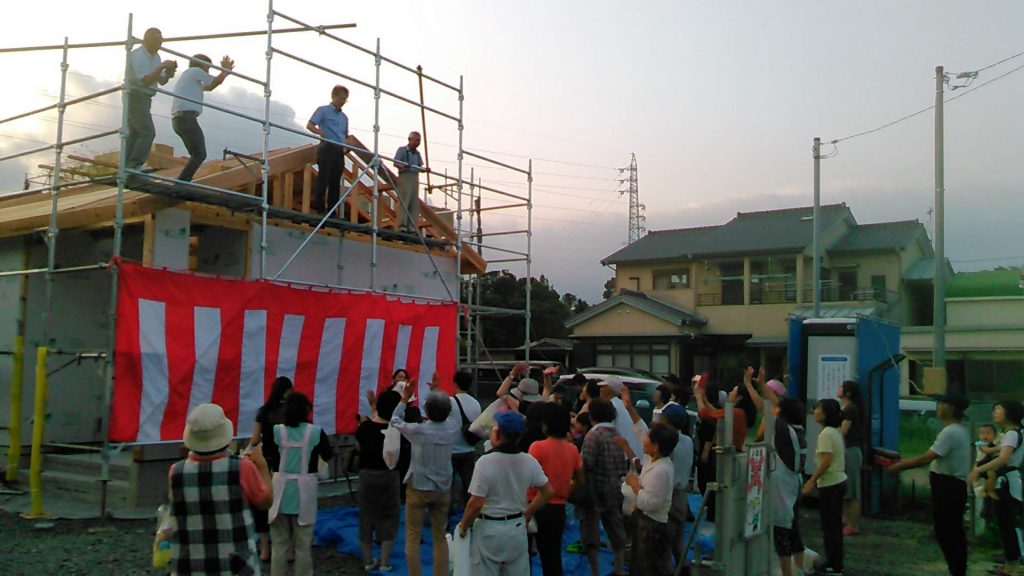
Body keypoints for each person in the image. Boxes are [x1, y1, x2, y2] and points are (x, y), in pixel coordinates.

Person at [168, 403, 272, 575]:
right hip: (236, 565)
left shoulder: (176, 472)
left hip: (191, 564)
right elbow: (265, 502)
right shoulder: (243, 468)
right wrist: (262, 467)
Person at [457, 411, 553, 575]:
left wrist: (463, 525)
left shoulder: (485, 462)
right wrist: (527, 513)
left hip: (489, 529)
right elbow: (547, 491)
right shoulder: (528, 461)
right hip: (516, 528)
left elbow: (476, 503)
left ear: (498, 433)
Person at [890, 392, 971, 576]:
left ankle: (957, 569)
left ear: (951, 408)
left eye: (942, 403)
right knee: (951, 530)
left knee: (947, 531)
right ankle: (957, 568)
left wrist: (900, 466)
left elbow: (927, 457)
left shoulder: (950, 432)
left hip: (948, 485)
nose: (938, 407)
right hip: (950, 484)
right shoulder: (958, 430)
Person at [618, 388, 693, 567]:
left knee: (659, 550)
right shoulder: (687, 441)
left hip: (665, 498)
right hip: (679, 497)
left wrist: (635, 483)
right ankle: (684, 569)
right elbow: (643, 430)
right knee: (677, 543)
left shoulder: (666, 452)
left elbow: (642, 431)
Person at [389, 382, 459, 576]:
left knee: (412, 536)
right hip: (443, 488)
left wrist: (404, 398)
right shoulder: (452, 429)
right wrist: (437, 388)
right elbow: (453, 414)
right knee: (440, 536)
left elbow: (394, 420)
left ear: (426, 409)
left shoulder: (418, 431)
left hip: (418, 486)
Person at [268, 393, 332, 576]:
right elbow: (327, 455)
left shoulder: (276, 431)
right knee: (303, 545)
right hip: (305, 491)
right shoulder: (316, 432)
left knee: (279, 545)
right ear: (307, 410)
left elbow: (267, 453)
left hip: (279, 490)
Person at [968, 400, 1024, 576]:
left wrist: (978, 469)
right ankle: (1010, 564)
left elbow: (1003, 458)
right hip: (1005, 481)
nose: (995, 413)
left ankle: (1013, 566)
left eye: (999, 410)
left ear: (1010, 413)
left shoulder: (1012, 434)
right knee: (1005, 523)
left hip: (1007, 481)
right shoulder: (1010, 433)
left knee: (1007, 523)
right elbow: (1000, 451)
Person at [528, 403, 583, 576]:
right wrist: (566, 487)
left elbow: (527, 478)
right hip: (559, 509)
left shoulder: (537, 447)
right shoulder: (572, 450)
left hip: (535, 506)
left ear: (546, 425)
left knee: (524, 555)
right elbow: (581, 479)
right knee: (552, 558)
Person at [579, 398, 628, 576]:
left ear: (592, 415)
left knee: (591, 534)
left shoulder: (593, 436)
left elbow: (586, 466)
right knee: (616, 527)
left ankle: (595, 571)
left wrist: (586, 493)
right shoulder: (617, 434)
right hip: (615, 487)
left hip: (596, 490)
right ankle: (619, 567)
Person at [247, 376, 294, 562]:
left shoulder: (263, 411)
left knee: (262, 504)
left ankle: (264, 549)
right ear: (287, 391)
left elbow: (254, 439)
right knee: (285, 504)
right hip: (287, 462)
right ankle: (287, 549)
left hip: (265, 462)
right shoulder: (291, 411)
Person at [356, 389, 403, 573]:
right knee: (389, 517)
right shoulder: (398, 429)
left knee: (366, 516)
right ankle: (384, 562)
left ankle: (368, 561)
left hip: (367, 476)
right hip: (389, 476)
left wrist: (373, 408)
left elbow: (360, 448)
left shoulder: (364, 428)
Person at [624, 423, 678, 576]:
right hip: (643, 520)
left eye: (647, 438)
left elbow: (651, 503)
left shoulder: (661, 470)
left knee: (649, 567)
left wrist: (635, 486)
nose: (643, 440)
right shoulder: (652, 460)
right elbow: (639, 428)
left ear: (655, 447)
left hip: (653, 526)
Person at [171, 53, 234, 182]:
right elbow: (214, 81)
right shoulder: (195, 71)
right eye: (208, 67)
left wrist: (224, 74)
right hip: (187, 118)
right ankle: (182, 182)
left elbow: (210, 87)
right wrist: (225, 71)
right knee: (200, 153)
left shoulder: (190, 79)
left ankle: (183, 181)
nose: (208, 71)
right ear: (202, 65)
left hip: (179, 120)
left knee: (196, 153)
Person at [802, 399, 847, 576]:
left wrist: (811, 480)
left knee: (830, 527)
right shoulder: (833, 432)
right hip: (836, 481)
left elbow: (826, 461)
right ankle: (835, 563)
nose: (814, 411)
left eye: (818, 409)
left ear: (826, 413)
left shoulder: (826, 434)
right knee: (832, 525)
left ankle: (834, 566)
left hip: (831, 483)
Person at [127, 28, 177, 172]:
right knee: (147, 132)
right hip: (135, 95)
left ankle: (128, 165)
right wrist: (161, 67)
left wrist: (168, 73)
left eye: (161, 41)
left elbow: (160, 80)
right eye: (157, 41)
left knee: (135, 133)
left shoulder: (156, 56)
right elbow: (145, 80)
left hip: (145, 97)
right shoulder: (138, 55)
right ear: (147, 40)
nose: (160, 44)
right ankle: (134, 165)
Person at [772, 397, 808, 576]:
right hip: (794, 484)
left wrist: (751, 387)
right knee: (793, 529)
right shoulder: (798, 430)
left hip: (784, 487)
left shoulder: (784, 429)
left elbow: (765, 408)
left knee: (781, 533)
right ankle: (800, 569)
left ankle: (788, 573)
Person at [306, 85, 349, 215]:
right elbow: (310, 125)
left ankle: (332, 211)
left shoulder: (344, 117)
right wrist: (321, 133)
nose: (343, 102)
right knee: (324, 177)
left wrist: (345, 146)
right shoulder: (323, 110)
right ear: (334, 96)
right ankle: (319, 207)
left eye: (345, 100)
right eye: (342, 99)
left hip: (339, 150)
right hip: (327, 146)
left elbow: (345, 134)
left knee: (335, 181)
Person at [451, 370, 482, 509]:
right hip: (469, 449)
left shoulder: (450, 401)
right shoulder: (476, 403)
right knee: (468, 486)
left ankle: (448, 514)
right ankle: (468, 515)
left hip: (451, 449)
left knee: (449, 486)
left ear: (455, 383)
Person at [838, 380, 864, 536]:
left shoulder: (850, 410)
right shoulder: (848, 408)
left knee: (852, 490)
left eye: (841, 387)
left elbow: (843, 432)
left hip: (850, 451)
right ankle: (847, 521)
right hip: (848, 451)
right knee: (847, 489)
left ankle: (853, 524)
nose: (838, 389)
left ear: (847, 392)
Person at [597, 377, 643, 463]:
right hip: (633, 454)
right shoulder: (621, 404)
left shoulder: (610, 407)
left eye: (603, 387)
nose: (600, 389)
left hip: (624, 456)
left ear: (610, 390)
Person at [394, 131, 427, 234]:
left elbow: (419, 167)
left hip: (414, 178)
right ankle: (402, 225)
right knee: (405, 201)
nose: (418, 143)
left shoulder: (417, 154)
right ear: (410, 139)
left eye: (419, 141)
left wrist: (425, 170)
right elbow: (396, 163)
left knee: (414, 203)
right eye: (416, 140)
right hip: (405, 176)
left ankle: (412, 226)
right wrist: (403, 165)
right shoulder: (402, 150)